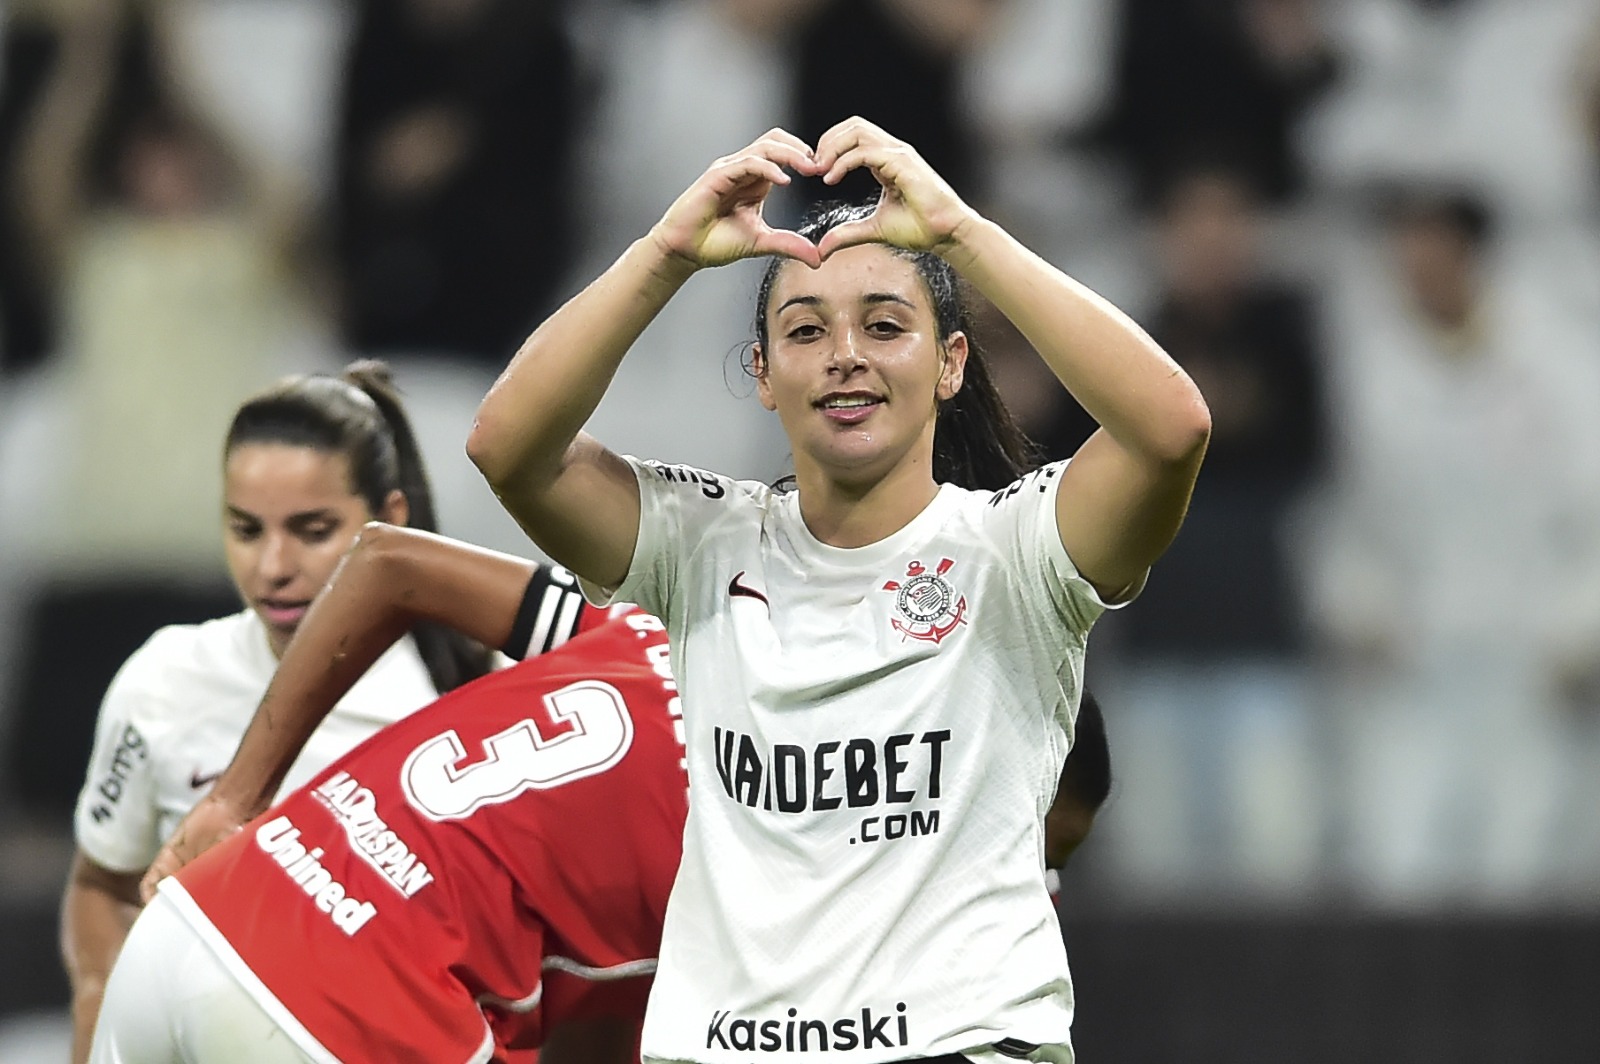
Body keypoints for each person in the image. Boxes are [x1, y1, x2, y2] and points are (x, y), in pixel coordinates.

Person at [467, 118, 1208, 1062]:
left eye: (887, 325)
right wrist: (664, 254)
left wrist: (959, 233)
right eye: (806, 331)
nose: (845, 353)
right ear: (765, 377)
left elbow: (1172, 429)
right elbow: (507, 446)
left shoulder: (1014, 549)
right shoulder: (703, 544)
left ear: (951, 364)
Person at [112, 523, 1112, 1064]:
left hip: (197, 923)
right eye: (1030, 850)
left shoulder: (680, 628)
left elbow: (387, 563)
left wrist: (231, 801)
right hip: (350, 1013)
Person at [59, 362, 519, 1063]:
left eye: (312, 530)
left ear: (389, 524)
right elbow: (104, 882)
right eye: (246, 529)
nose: (273, 565)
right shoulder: (164, 679)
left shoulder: (476, 693)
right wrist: (98, 1008)